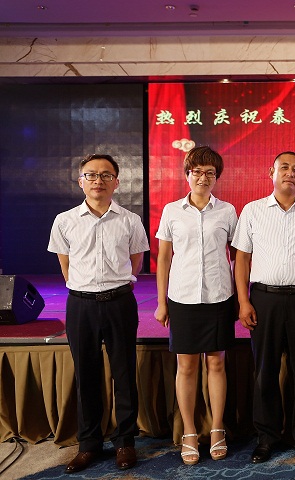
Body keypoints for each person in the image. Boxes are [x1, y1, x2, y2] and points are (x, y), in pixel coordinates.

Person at [48, 154, 149, 474]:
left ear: (116, 182)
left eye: (106, 175)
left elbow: (136, 261)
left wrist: (117, 284)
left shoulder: (130, 220)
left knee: (124, 373)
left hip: (120, 303)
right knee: (86, 374)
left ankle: (125, 442)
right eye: (91, 175)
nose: (98, 180)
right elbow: (65, 264)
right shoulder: (65, 220)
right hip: (81, 305)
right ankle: (89, 444)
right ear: (81, 181)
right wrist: (84, 288)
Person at [232, 151, 295, 464]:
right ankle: (266, 437)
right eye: (284, 167)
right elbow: (242, 259)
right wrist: (243, 301)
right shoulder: (253, 211)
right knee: (266, 371)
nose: (290, 172)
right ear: (271, 173)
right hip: (264, 300)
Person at [154, 146, 237, 465]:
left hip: (218, 296)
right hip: (183, 297)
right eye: (197, 172)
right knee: (186, 366)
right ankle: (189, 432)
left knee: (217, 363)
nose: (203, 178)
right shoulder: (172, 211)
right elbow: (164, 258)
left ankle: (217, 428)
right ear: (187, 175)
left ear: (217, 177)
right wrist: (161, 302)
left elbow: (237, 257)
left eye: (210, 173)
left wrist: (239, 297)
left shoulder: (227, 211)